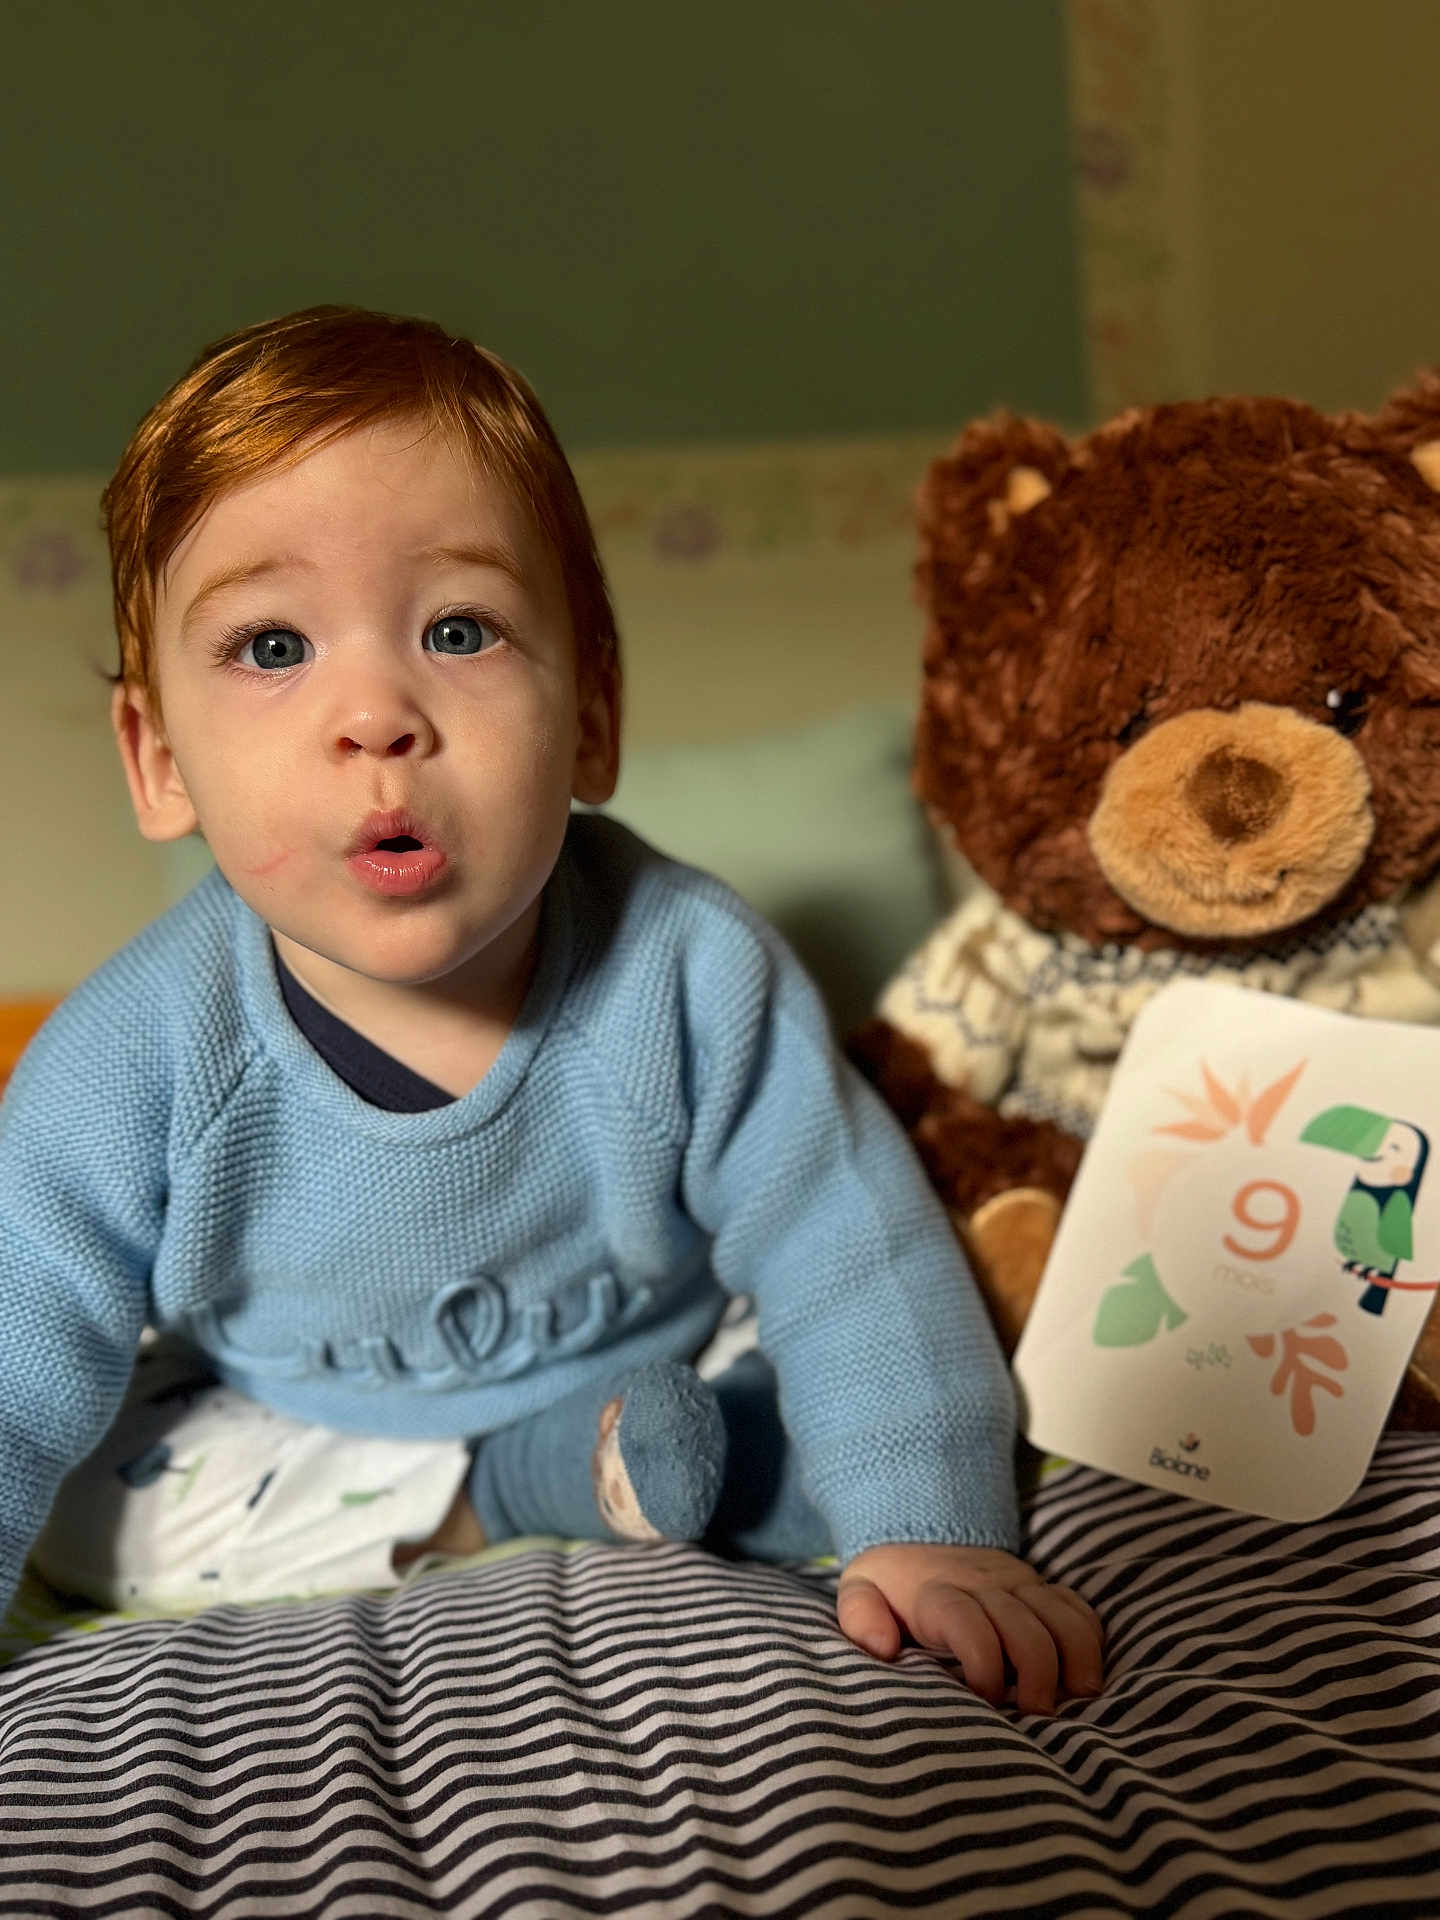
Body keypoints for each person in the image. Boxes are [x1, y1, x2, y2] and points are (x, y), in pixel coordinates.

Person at [0, 305, 1103, 1715]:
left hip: (674, 1350)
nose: (376, 714)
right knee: (106, 1499)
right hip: (297, 1417)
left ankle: (707, 1458)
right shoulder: (132, 1059)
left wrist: (934, 1524)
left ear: (591, 717)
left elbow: (846, 1239)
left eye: (458, 629)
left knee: (865, 1358)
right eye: (273, 647)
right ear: (160, 761)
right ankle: (532, 1480)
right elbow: (20, 1348)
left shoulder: (688, 968)